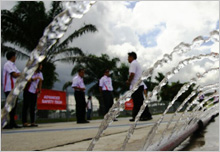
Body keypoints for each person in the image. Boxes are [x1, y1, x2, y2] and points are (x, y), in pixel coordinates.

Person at [126, 52, 152, 122]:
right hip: (138, 85)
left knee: (138, 102)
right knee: (138, 102)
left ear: (132, 57)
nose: (127, 59)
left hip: (136, 85)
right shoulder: (136, 63)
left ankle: (146, 115)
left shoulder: (133, 63)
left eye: (128, 57)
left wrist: (128, 81)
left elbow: (132, 74)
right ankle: (136, 116)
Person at [3, 51, 21, 129]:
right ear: (12, 57)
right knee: (9, 106)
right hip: (8, 88)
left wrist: (19, 74)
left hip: (14, 88)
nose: (15, 58)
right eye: (15, 56)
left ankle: (13, 123)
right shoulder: (7, 64)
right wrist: (19, 74)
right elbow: (14, 74)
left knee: (14, 106)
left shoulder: (13, 65)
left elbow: (19, 73)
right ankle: (6, 123)